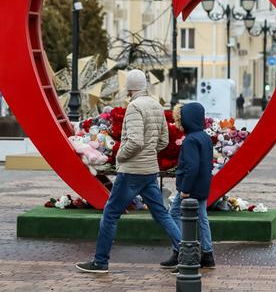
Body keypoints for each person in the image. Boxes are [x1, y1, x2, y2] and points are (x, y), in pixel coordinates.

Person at [76, 69, 181, 274]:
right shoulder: (156, 106)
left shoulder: (134, 107)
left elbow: (134, 141)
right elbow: (164, 141)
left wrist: (120, 156)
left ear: (130, 87)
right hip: (150, 170)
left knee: (111, 214)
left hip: (131, 171)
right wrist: (149, 154)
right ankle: (184, 251)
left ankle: (100, 261)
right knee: (161, 213)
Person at [160, 102, 215, 270]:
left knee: (173, 213)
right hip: (202, 185)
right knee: (202, 218)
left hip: (189, 188)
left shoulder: (190, 140)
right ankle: (207, 254)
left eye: (180, 120)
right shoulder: (204, 137)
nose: (179, 124)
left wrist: (185, 189)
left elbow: (191, 167)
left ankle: (182, 251)